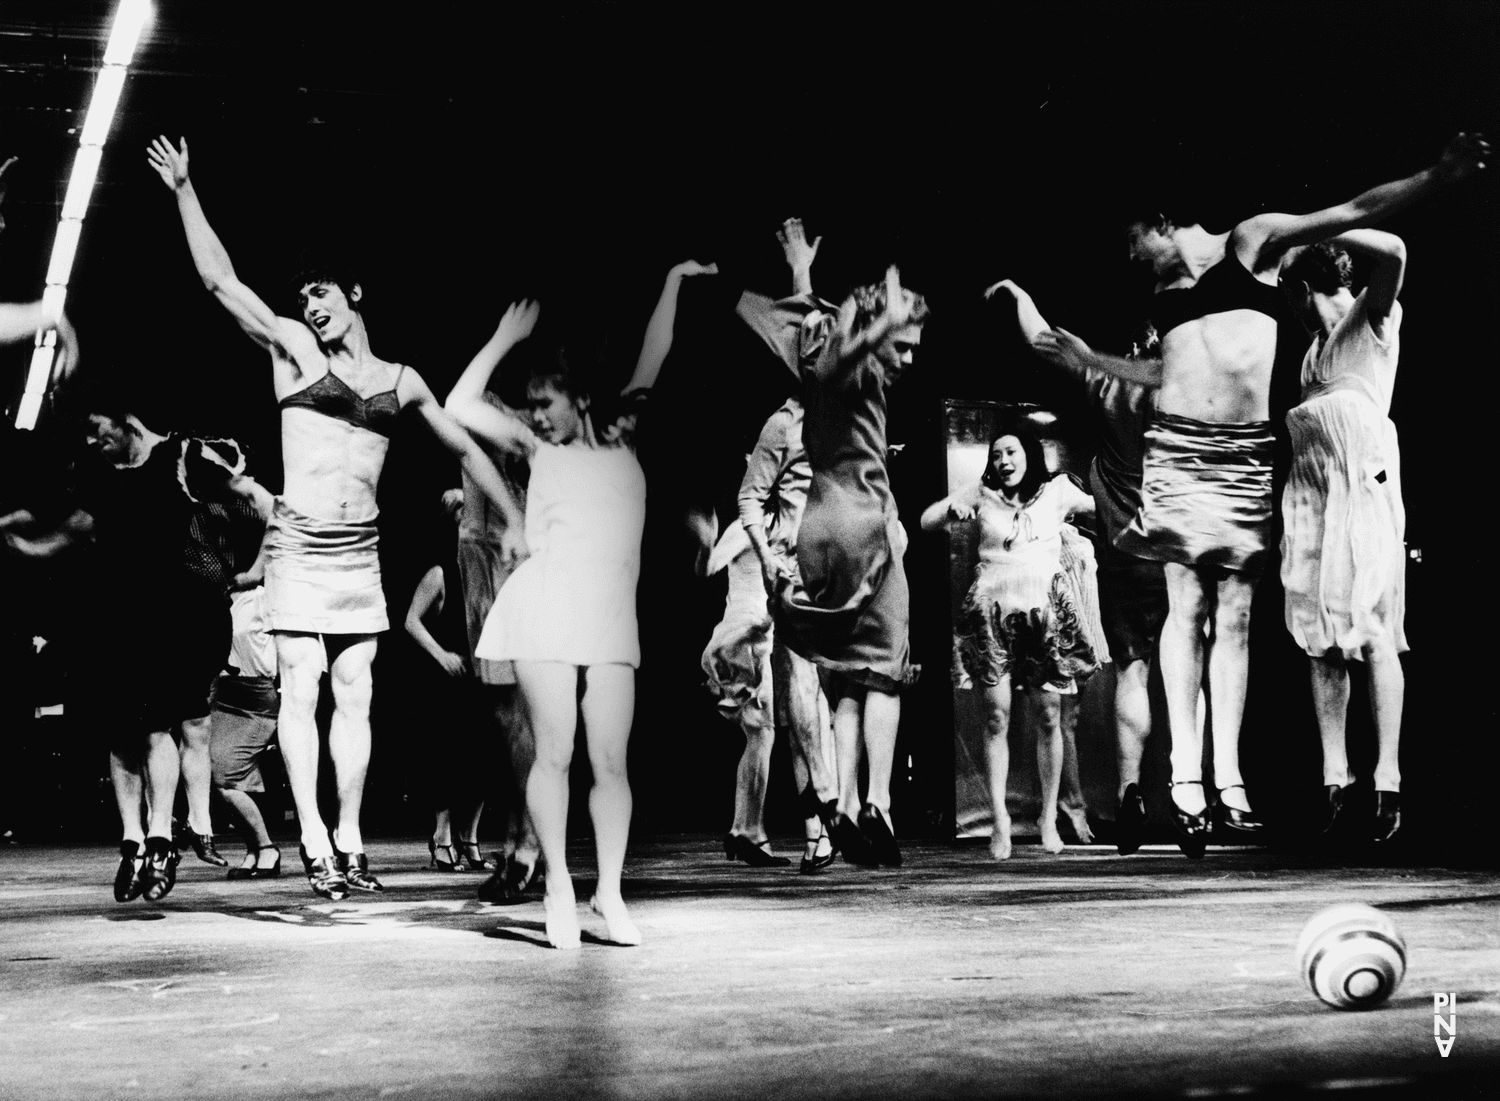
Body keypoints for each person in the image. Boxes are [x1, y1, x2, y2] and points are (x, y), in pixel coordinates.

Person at [1033, 131, 1489, 857]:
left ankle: (1249, 780)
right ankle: (1197, 780)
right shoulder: (1188, 303)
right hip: (1206, 454)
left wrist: (1435, 176)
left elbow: (1355, 210)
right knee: (1215, 612)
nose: (1129, 259)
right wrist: (1093, 359)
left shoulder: (1255, 244)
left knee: (1258, 618)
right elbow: (1165, 374)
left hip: (1263, 459)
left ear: (1161, 222)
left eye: (1132, 241)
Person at [148, 136, 526, 900]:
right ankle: (314, 837)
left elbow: (467, 445)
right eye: (303, 298)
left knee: (357, 692)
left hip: (360, 552)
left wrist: (515, 517)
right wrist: (186, 190)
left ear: (354, 293)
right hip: (297, 544)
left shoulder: (401, 379)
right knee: (303, 686)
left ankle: (349, 836)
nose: (310, 307)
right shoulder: (291, 351)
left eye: (321, 293)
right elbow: (222, 283)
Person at [445, 261, 717, 949]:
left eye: (544, 400)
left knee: (612, 759)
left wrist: (675, 282)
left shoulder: (624, 431)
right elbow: (458, 405)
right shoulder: (534, 447)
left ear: (580, 397)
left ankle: (611, 893)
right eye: (531, 402)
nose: (534, 412)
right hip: (544, 607)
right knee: (556, 749)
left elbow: (657, 349)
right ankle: (559, 886)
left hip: (608, 613)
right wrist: (504, 339)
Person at [7, 409, 251, 902]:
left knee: (159, 727)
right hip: (110, 618)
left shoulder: (178, 457)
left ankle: (162, 837)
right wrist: (23, 541)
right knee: (122, 736)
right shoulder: (94, 474)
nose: (94, 442)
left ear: (126, 421)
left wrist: (263, 555)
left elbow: (247, 492)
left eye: (98, 430)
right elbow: (70, 524)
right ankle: (132, 842)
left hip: (171, 616)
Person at [739, 261, 929, 867]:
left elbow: (812, 335)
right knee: (888, 668)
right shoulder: (849, 372)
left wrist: (800, 272)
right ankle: (876, 802)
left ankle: (845, 804)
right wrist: (878, 328)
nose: (908, 358)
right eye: (904, 344)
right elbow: (837, 353)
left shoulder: (812, 391)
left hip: (815, 528)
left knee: (847, 675)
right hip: (861, 522)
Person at [987, 280, 1186, 855]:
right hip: (1181, 543)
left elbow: (1041, 338)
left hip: (1127, 546)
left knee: (1134, 670)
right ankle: (1191, 790)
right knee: (1189, 669)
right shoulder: (1185, 389)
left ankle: (1129, 789)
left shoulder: (1109, 383)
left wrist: (1019, 292)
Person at [1279, 233, 1410, 842]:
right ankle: (1337, 777)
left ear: (1304, 288)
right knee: (1319, 637)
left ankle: (1388, 780)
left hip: (1361, 484)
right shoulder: (1309, 353)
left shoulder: (1372, 316)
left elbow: (1395, 252)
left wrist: (1318, 224)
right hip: (1313, 495)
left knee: (1373, 627)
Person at [921, 423, 1100, 857]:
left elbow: (1103, 505)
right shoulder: (980, 492)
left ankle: (1048, 818)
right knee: (996, 719)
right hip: (992, 615)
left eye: (1011, 453)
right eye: (997, 454)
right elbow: (927, 521)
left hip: (1045, 615)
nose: (1003, 462)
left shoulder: (1056, 491)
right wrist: (951, 509)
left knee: (1049, 717)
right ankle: (999, 818)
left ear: (1029, 455)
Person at [403, 491, 489, 872]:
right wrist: (442, 656)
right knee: (448, 759)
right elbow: (410, 620)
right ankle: (441, 840)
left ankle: (469, 841)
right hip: (449, 678)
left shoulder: (485, 572)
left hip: (483, 674)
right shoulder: (440, 573)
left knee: (484, 762)